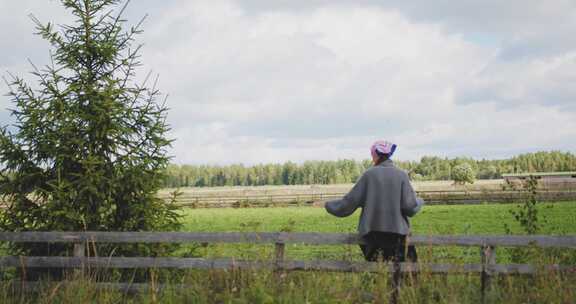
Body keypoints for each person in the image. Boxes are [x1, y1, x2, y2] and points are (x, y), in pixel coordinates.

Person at [325, 140, 423, 262]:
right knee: (405, 275)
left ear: (375, 155)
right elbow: (410, 208)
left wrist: (328, 205)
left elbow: (348, 204)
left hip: (372, 236)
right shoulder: (401, 175)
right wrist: (420, 201)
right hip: (397, 235)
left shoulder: (368, 175)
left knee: (379, 273)